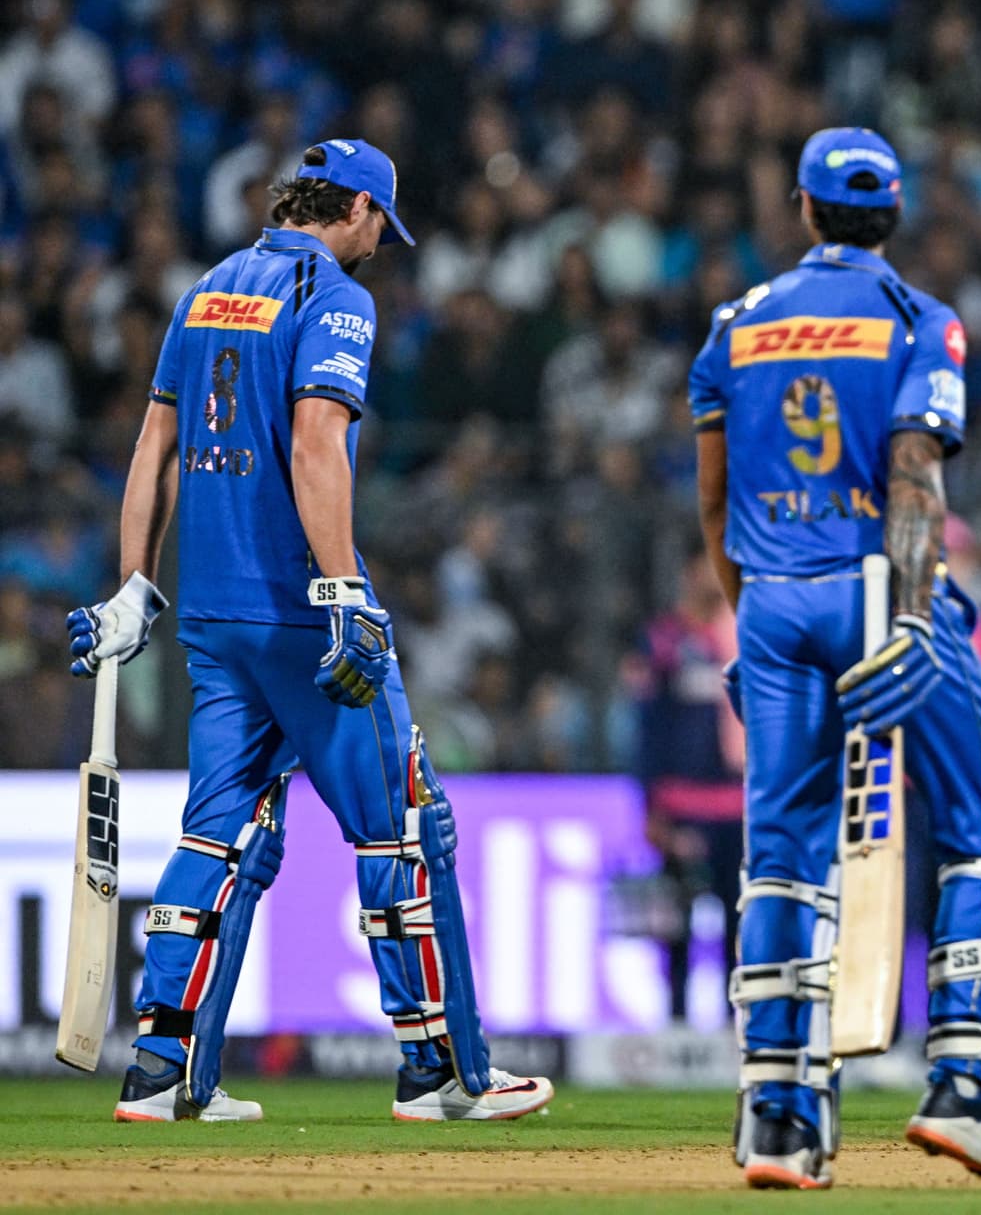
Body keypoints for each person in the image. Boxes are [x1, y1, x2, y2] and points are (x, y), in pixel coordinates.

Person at [65, 139, 552, 1124]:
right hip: (298, 610)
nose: (380, 246)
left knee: (220, 831)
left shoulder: (204, 290)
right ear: (359, 209)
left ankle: (163, 1071)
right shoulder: (335, 296)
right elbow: (317, 438)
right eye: (381, 226)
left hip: (212, 613)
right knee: (404, 826)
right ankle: (442, 1070)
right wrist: (342, 590)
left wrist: (133, 588)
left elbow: (153, 446)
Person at [691, 127, 981, 1189]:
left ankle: (780, 1120)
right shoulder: (918, 320)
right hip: (879, 587)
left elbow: (713, 501)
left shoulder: (738, 325)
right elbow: (912, 473)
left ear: (802, 209)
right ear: (893, 216)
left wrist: (749, 619)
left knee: (784, 854)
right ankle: (965, 1092)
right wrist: (902, 618)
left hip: (771, 603)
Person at [629, 546, 745, 1023]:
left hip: (738, 806)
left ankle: (731, 1027)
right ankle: (675, 1025)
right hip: (681, 804)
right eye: (706, 567)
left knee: (739, 923)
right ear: (687, 572)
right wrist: (651, 806)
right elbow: (645, 724)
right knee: (676, 925)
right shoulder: (663, 640)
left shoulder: (744, 635)